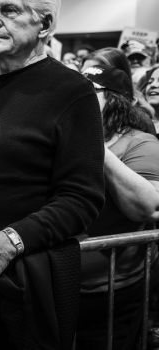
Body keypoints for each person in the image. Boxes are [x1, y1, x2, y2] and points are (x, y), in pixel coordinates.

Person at [0, 0, 105, 348]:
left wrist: (9, 242)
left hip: (16, 282)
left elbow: (82, 199)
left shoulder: (73, 92)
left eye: (10, 10)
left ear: (44, 25)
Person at [77, 64, 159, 350]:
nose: (78, 96)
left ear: (115, 99)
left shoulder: (141, 143)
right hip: (59, 286)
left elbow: (145, 207)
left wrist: (92, 142)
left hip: (111, 291)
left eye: (90, 91)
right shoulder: (62, 138)